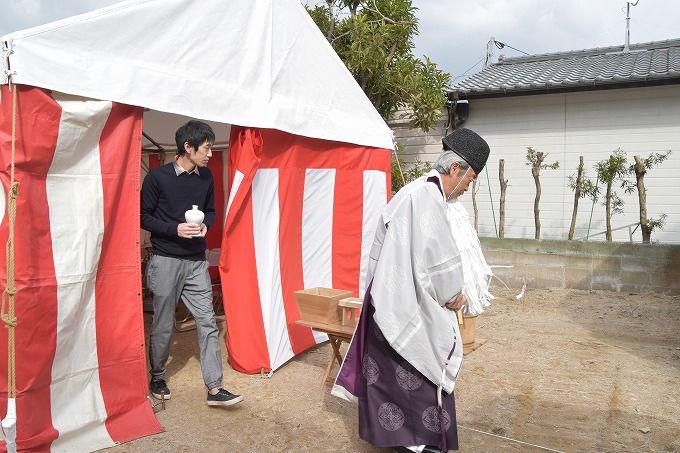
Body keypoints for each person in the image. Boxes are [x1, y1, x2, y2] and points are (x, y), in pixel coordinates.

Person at [332, 128, 492, 452]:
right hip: (406, 311)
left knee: (389, 385)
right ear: (456, 169)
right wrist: (454, 295)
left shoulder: (412, 191)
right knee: (421, 382)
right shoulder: (429, 199)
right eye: (470, 179)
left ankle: (397, 442)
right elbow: (441, 264)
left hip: (386, 306)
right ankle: (426, 446)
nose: (466, 188)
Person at [141, 120, 243, 407]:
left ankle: (215, 388)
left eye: (211, 148)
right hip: (166, 259)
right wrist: (174, 229)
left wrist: (206, 227)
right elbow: (143, 217)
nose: (210, 153)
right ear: (188, 147)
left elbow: (210, 211)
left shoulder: (206, 178)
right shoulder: (157, 178)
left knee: (208, 321)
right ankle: (158, 375)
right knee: (162, 324)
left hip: (196, 261)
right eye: (207, 148)